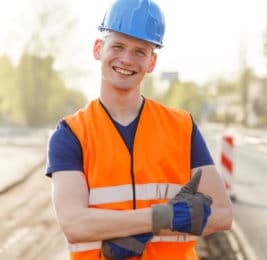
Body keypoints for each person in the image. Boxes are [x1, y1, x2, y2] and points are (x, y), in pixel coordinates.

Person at [45, 0, 233, 259]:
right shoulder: (71, 134)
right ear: (98, 49)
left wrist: (137, 230)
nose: (126, 59)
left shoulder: (182, 127)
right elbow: (75, 224)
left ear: (152, 62)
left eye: (139, 51)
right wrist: (163, 216)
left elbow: (222, 214)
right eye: (118, 46)